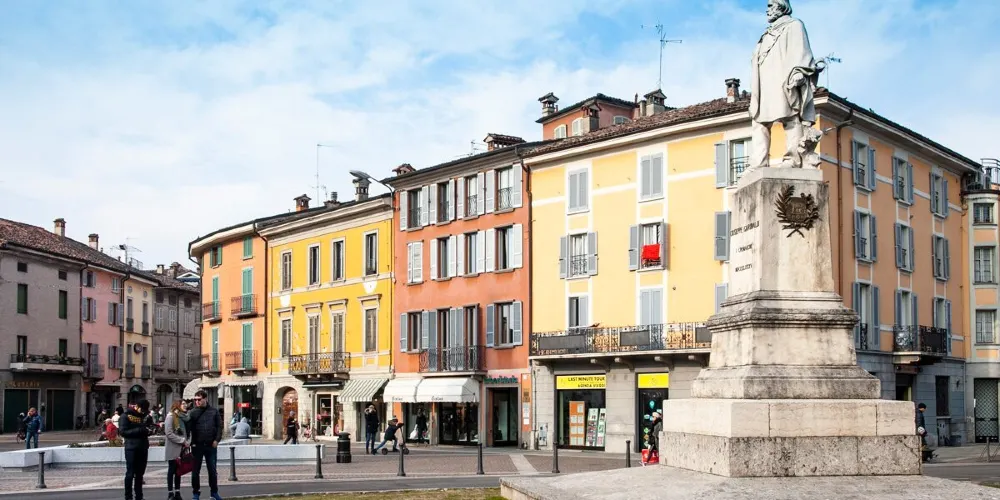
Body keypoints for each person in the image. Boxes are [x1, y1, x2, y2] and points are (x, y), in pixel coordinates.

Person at [748, 0, 822, 171]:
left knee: (790, 117)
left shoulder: (794, 25)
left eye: (770, 5)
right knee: (759, 121)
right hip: (764, 83)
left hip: (783, 79)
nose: (767, 10)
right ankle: (758, 163)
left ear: (781, 6)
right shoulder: (766, 34)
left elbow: (802, 51)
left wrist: (799, 72)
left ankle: (792, 159)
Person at [187, 389, 223, 500]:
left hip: (210, 445)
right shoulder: (192, 412)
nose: (197, 402)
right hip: (197, 445)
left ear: (205, 399)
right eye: (195, 400)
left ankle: (214, 492)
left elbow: (219, 427)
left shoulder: (214, 411)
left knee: (212, 470)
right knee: (195, 471)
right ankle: (196, 493)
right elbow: (187, 428)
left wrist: (217, 440)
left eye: (199, 399)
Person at [119, 399, 153, 500]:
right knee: (130, 473)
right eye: (142, 410)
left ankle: (139, 496)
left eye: (145, 410)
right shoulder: (126, 416)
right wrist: (139, 430)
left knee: (140, 474)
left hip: (143, 447)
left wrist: (150, 430)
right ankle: (128, 497)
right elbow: (123, 432)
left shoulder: (146, 416)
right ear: (136, 406)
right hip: (131, 448)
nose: (143, 412)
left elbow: (149, 427)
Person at [164, 400, 191, 500]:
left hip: (182, 448)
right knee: (172, 470)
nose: (185, 405)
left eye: (185, 404)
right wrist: (182, 440)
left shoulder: (185, 417)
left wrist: (188, 441)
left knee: (179, 471)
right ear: (177, 405)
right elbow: (169, 433)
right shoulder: (171, 416)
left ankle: (178, 492)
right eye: (183, 404)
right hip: (173, 447)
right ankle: (170, 493)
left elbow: (188, 431)